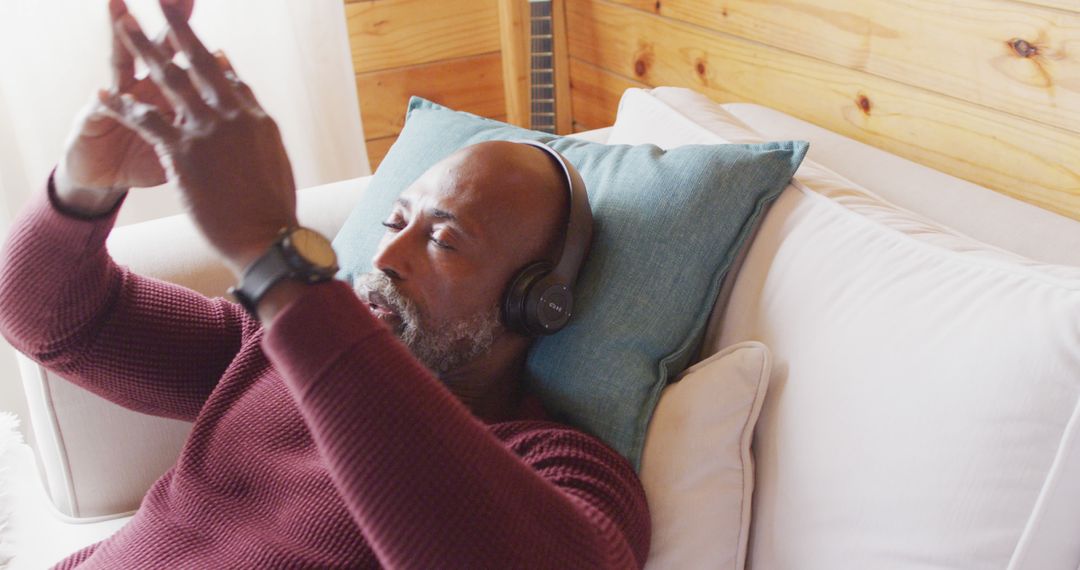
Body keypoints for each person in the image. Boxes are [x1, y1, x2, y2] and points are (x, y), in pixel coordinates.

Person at [0, 0, 650, 568]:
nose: (386, 253)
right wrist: (85, 181)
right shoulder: (271, 350)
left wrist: (276, 262)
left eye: (443, 241)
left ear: (535, 301)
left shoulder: (561, 468)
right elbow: (49, 318)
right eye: (395, 220)